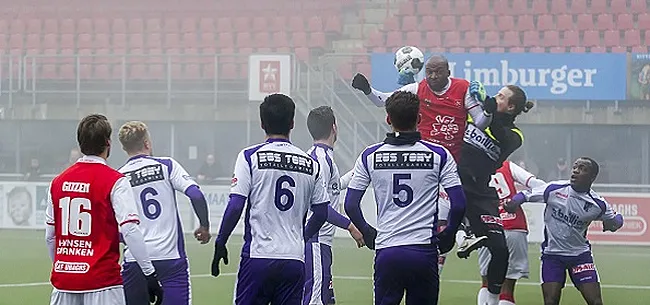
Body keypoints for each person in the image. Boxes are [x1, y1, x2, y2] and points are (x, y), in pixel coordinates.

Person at [344, 91, 466, 305]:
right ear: (419, 118)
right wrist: (449, 233)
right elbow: (459, 203)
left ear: (388, 119)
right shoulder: (440, 154)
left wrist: (367, 231)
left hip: (387, 251)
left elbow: (351, 204)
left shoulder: (369, 156)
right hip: (423, 251)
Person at [210, 93, 330, 305]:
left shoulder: (249, 156)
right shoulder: (312, 164)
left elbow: (236, 204)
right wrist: (301, 237)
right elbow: (321, 212)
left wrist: (221, 241)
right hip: (294, 259)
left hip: (258, 257)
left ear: (262, 123)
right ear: (292, 123)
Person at [44, 114, 163, 305]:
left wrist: (63, 267)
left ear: (80, 143)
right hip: (103, 284)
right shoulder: (115, 181)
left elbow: (50, 236)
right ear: (108, 143)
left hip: (64, 285)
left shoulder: (57, 182)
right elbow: (130, 230)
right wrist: (149, 274)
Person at [504, 157, 624, 305]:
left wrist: (617, 222)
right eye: (575, 167)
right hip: (552, 256)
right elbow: (525, 195)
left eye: (583, 169)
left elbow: (614, 221)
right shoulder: (554, 189)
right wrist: (513, 203)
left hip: (580, 256)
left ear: (592, 177)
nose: (576, 171)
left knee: (596, 302)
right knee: (551, 301)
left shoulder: (597, 204)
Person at [453, 85, 534, 305]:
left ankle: (493, 298)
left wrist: (489, 112)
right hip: (457, 181)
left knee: (500, 250)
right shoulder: (479, 114)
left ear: (511, 107)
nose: (494, 98)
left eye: (500, 97)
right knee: (451, 212)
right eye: (496, 94)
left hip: (482, 191)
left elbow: (501, 135)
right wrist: (484, 109)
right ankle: (463, 235)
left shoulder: (516, 135)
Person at [117, 121, 211, 305]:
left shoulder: (118, 177)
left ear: (124, 148)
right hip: (170, 260)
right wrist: (204, 226)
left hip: (135, 260)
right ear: (147, 143)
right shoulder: (167, 165)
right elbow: (196, 195)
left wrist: (126, 239)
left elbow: (111, 226)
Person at [351, 54, 493, 161]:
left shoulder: (463, 88)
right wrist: (367, 89)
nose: (433, 76)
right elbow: (383, 101)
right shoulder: (417, 89)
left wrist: (488, 112)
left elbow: (479, 123)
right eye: (429, 72)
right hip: (423, 159)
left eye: (438, 72)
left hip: (451, 160)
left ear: (448, 73)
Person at [304, 106, 364, 305]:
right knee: (315, 300)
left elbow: (334, 187)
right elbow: (318, 205)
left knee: (324, 299)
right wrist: (351, 226)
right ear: (334, 127)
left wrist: (360, 170)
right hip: (316, 241)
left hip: (320, 242)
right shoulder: (320, 159)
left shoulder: (322, 156)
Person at [476, 160, 546, 305]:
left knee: (487, 282)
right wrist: (518, 199)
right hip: (514, 225)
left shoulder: (472, 166)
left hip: (487, 225)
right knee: (507, 288)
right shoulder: (507, 165)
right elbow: (538, 185)